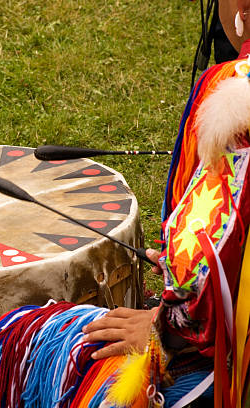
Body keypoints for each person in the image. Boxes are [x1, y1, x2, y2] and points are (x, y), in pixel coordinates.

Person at [80, 0, 250, 405]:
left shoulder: (236, 94)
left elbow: (208, 248)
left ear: (243, 7)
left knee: (38, 343)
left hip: (236, 361)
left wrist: (166, 327)